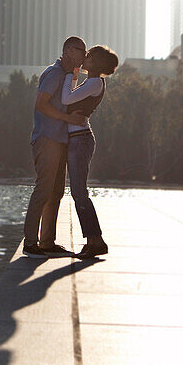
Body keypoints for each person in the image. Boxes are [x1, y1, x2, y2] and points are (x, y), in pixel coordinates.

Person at [22, 36, 90, 258]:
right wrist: (67, 119)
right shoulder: (55, 73)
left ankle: (47, 242)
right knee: (44, 189)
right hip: (47, 139)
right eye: (82, 51)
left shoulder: (67, 75)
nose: (84, 56)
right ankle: (31, 243)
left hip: (59, 141)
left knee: (56, 192)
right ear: (69, 51)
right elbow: (40, 104)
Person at [62, 44, 119, 259]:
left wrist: (70, 72)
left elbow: (66, 98)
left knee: (79, 193)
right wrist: (74, 75)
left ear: (96, 62)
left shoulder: (95, 83)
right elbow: (72, 96)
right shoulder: (93, 82)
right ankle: (95, 240)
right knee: (79, 192)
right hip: (78, 139)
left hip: (80, 140)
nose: (85, 57)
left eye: (89, 55)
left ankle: (95, 240)